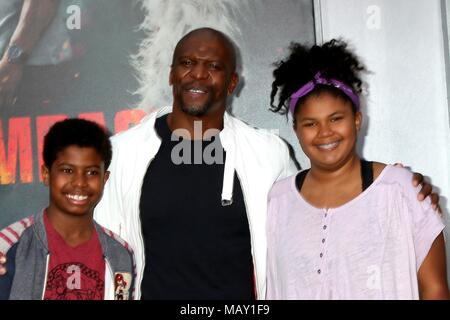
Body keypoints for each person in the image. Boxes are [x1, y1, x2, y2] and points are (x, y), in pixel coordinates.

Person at [0, 28, 439, 299]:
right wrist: (13, 251)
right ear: (171, 73)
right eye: (188, 64)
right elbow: (76, 223)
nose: (198, 74)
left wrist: (399, 187)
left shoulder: (265, 153)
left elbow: (317, 212)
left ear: (232, 81)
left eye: (213, 66)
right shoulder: (125, 152)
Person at [266, 39, 449, 299]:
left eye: (336, 118)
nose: (325, 133)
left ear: (357, 119)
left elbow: (435, 288)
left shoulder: (400, 190)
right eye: (310, 123)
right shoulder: (278, 200)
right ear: (296, 130)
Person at [0, 119, 135, 300]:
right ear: (46, 174)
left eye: (92, 172)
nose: (80, 183)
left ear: (105, 178)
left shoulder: (120, 254)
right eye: (67, 170)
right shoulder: (9, 245)